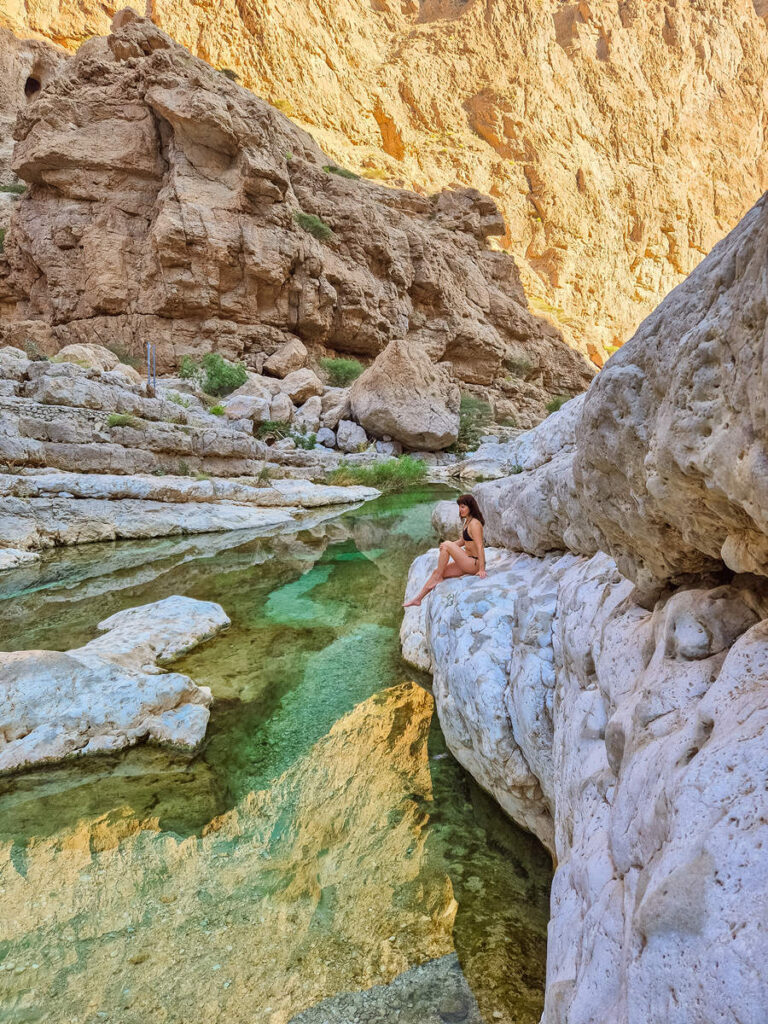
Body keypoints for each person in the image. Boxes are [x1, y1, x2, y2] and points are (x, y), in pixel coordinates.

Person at [403, 493, 486, 608]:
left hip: (474, 564)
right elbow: (462, 541)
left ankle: (438, 578)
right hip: (466, 562)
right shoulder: (467, 521)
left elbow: (480, 546)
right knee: (437, 571)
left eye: (463, 507)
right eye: (459, 506)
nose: (460, 509)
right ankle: (418, 599)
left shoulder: (475, 524)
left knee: (447, 545)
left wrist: (481, 569)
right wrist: (448, 546)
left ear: (470, 507)